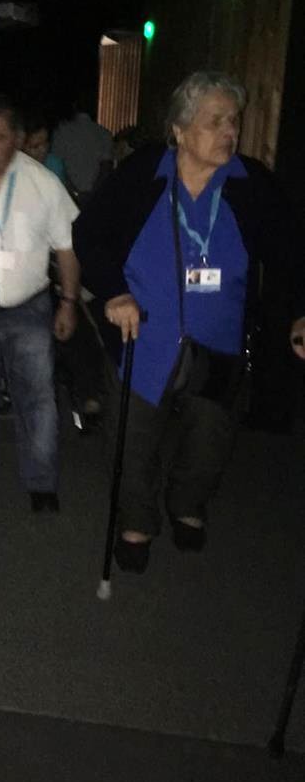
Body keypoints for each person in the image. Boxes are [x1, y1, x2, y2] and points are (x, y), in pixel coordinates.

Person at [73, 71, 305, 573]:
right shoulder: (143, 173)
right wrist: (114, 291)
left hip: (219, 340)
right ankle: (136, 521)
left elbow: (289, 251)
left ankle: (187, 503)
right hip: (143, 336)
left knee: (208, 442)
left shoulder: (250, 183)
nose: (229, 131)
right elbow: (89, 234)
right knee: (132, 441)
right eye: (214, 121)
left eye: (233, 121)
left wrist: (297, 313)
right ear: (179, 129)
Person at [0, 93, 80, 513]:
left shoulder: (43, 182)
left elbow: (66, 250)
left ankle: (41, 481)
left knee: (37, 398)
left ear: (17, 138)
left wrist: (69, 302)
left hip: (30, 308)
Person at [51, 101, 114, 203]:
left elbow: (57, 166)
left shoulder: (61, 131)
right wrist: (93, 193)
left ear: (74, 107)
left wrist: (75, 193)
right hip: (94, 197)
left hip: (67, 196)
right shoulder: (104, 133)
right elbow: (106, 167)